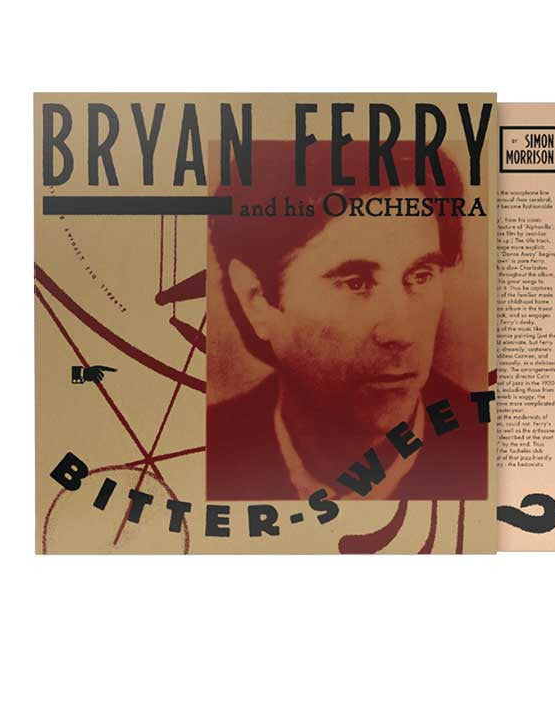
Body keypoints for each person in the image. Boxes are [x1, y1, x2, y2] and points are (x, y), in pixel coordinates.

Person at [206, 140, 488, 502]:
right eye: (356, 284)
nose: (401, 333)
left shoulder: (488, 453)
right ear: (256, 299)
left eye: (420, 276)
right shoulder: (204, 453)